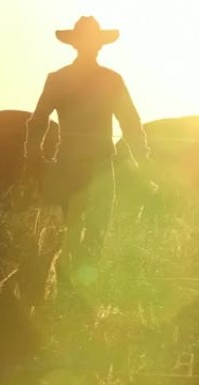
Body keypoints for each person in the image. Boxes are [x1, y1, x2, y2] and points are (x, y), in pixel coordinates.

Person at [25, 16, 150, 289]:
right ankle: (80, 291)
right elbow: (130, 123)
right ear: (97, 46)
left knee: (70, 229)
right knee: (94, 231)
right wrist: (143, 162)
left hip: (71, 164)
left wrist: (34, 161)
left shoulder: (59, 79)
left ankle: (67, 287)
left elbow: (37, 122)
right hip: (100, 166)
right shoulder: (111, 80)